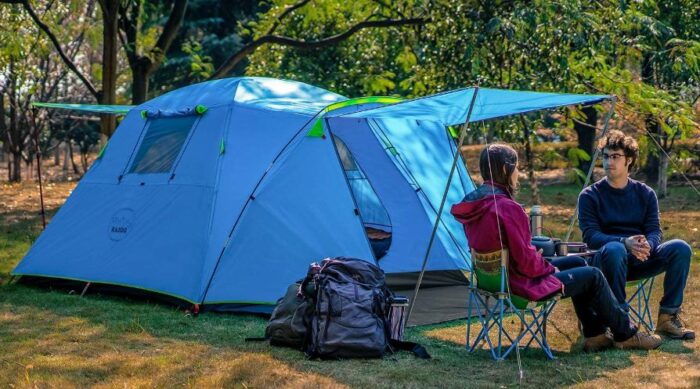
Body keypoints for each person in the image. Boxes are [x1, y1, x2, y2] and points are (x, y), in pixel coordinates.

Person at [451, 143, 661, 352]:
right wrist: (548, 267)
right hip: (520, 285)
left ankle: (595, 334)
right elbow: (526, 263)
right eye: (516, 168)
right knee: (593, 275)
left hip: (493, 279)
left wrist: (538, 259)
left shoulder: (475, 204)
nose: (518, 173)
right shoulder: (507, 208)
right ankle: (626, 334)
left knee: (578, 262)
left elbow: (512, 251)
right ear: (506, 170)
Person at [578, 130, 694, 340]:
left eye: (615, 156)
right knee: (615, 249)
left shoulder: (645, 193)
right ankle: (620, 322)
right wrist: (624, 242)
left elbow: (654, 229)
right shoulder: (589, 195)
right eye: (605, 156)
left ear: (628, 160)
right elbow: (591, 235)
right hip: (606, 260)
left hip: (641, 256)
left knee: (680, 247)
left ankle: (668, 317)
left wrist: (647, 245)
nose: (608, 161)